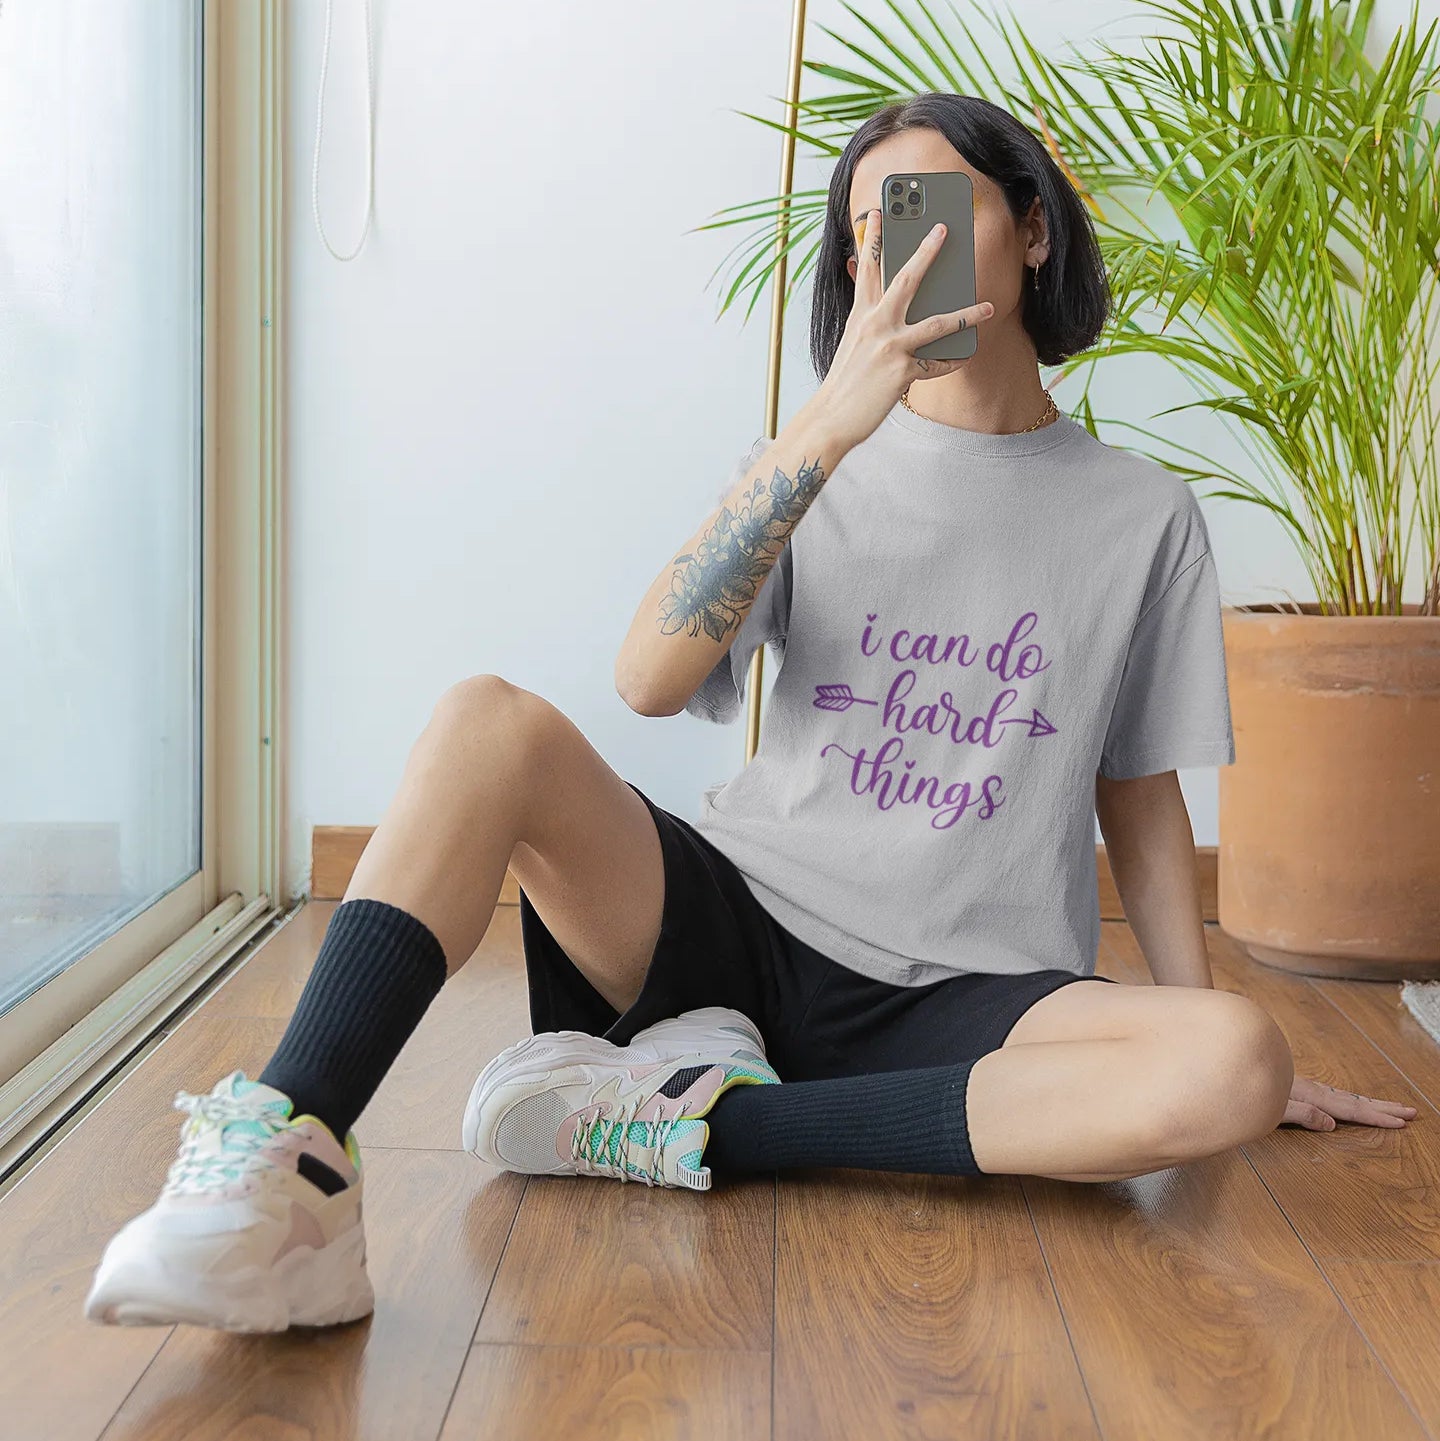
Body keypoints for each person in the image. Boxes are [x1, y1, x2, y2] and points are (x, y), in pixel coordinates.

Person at [84, 92, 1414, 1336]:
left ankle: (682, 1120)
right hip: (736, 926)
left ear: (1032, 227)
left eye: (932, 211)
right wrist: (821, 434)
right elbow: (648, 679)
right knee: (485, 720)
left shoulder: (1143, 517)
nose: (895, 252)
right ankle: (289, 1164)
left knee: (1234, 1061)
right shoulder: (810, 464)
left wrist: (1192, 1011)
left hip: (981, 991)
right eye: (867, 231)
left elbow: (1134, 787)